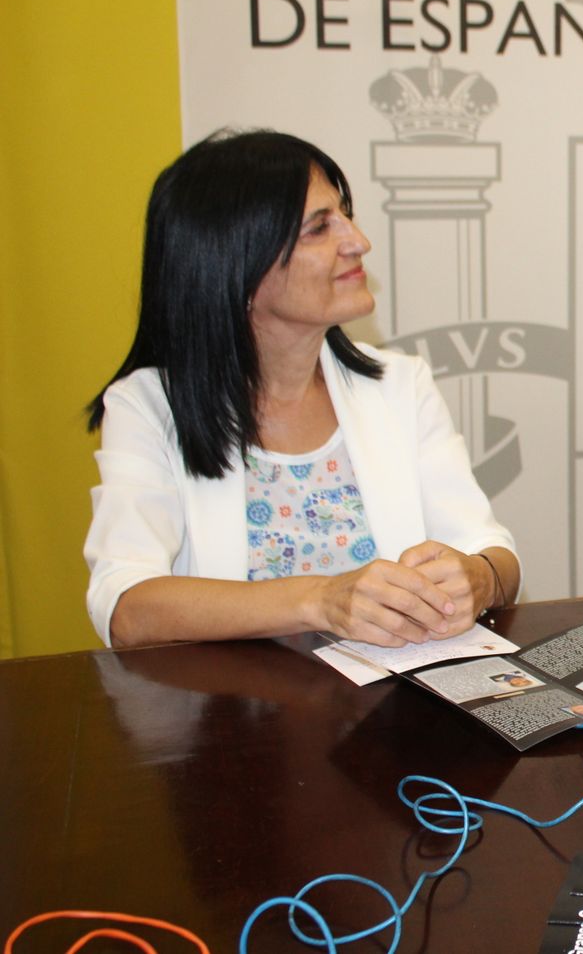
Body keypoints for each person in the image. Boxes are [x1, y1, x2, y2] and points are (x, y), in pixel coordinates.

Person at [85, 130, 521, 648]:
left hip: (392, 696)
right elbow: (125, 608)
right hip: (230, 701)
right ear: (237, 264)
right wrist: (320, 598)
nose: (358, 241)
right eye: (319, 228)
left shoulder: (401, 385)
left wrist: (479, 577)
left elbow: (492, 552)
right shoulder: (148, 406)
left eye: (345, 215)